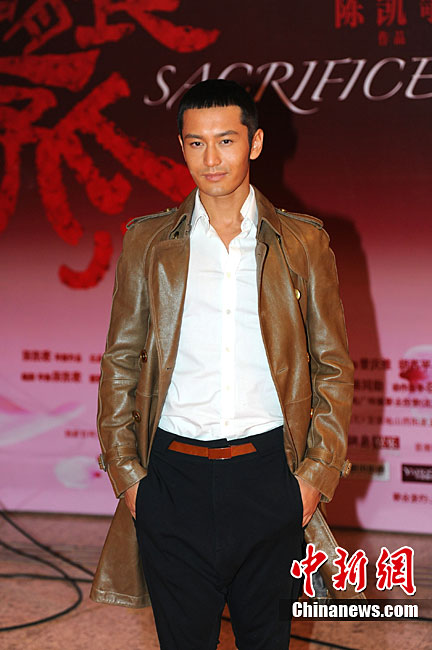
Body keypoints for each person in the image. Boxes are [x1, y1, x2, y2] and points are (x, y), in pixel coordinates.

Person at [90, 79, 355, 649]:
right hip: (171, 481)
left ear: (255, 143)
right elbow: (120, 361)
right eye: (196, 143)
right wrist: (129, 480)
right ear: (181, 148)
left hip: (270, 478)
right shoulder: (148, 243)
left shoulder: (302, 244)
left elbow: (333, 365)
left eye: (226, 140)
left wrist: (314, 478)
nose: (211, 159)